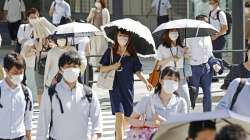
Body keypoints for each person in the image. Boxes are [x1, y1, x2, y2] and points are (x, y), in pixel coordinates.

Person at [99, 28, 152, 140]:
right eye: (121, 36)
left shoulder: (132, 54)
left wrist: (146, 82)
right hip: (114, 88)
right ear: (116, 37)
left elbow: (138, 70)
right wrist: (113, 66)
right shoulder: (110, 51)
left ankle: (117, 134)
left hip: (128, 88)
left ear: (129, 39)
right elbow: (101, 68)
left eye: (125, 36)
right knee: (119, 115)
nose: (123, 38)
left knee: (126, 118)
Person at [37, 51, 102, 140]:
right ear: (60, 69)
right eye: (68, 67)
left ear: (80, 69)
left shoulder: (88, 94)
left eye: (75, 67)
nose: (72, 69)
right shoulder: (50, 93)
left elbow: (97, 122)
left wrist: (94, 137)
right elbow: (42, 124)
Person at [155, 29, 191, 111]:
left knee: (185, 98)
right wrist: (170, 58)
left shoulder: (181, 46)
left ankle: (186, 118)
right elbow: (158, 63)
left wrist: (186, 53)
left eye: (176, 32)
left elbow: (187, 60)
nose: (174, 34)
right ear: (167, 34)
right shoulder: (162, 47)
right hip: (167, 75)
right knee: (167, 99)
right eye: (171, 32)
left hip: (180, 75)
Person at [0, 52, 33, 140]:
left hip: (20, 136)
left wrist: (29, 137)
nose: (18, 75)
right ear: (6, 71)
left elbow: (28, 120)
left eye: (21, 72)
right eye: (15, 72)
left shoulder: (27, 93)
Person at [18, 8, 40, 103]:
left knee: (32, 79)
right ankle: (22, 96)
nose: (33, 19)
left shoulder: (39, 27)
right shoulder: (23, 27)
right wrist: (31, 41)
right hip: (23, 56)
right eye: (31, 17)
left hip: (34, 56)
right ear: (27, 18)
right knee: (21, 77)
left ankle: (33, 98)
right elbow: (20, 40)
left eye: (35, 17)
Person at [86, 0, 110, 86]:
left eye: (98, 1)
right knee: (94, 50)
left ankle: (101, 66)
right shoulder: (93, 10)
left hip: (101, 34)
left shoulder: (105, 11)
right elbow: (88, 20)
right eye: (96, 1)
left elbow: (107, 23)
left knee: (101, 50)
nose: (97, 3)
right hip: (94, 33)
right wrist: (91, 15)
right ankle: (96, 66)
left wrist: (105, 33)